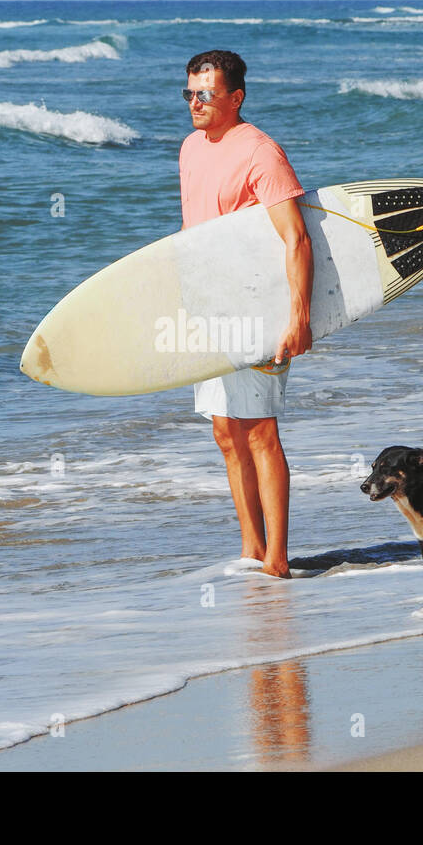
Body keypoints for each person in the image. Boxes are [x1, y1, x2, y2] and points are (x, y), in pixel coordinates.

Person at [178, 50, 313, 578]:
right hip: (210, 307)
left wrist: (298, 318)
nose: (195, 103)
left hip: (256, 308)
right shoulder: (191, 147)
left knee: (259, 431)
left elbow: (296, 238)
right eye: (189, 93)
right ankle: (250, 551)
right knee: (224, 432)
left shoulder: (261, 152)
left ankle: (277, 560)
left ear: (235, 97)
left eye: (206, 94)